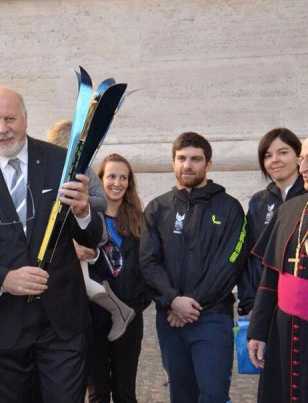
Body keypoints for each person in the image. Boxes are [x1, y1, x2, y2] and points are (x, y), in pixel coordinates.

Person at [0, 87, 103, 402]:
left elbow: (89, 238)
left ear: (25, 118)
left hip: (62, 323)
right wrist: (2, 278)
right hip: (2, 326)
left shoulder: (61, 161)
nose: (3, 129)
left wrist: (84, 212)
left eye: (10, 119)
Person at [140, 132, 246, 403]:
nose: (188, 165)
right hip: (169, 319)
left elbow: (230, 264)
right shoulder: (157, 208)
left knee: (212, 394)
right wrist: (172, 300)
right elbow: (148, 263)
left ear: (208, 164)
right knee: (181, 395)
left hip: (212, 318)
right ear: (173, 162)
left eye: (196, 159)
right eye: (182, 158)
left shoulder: (229, 208)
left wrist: (190, 305)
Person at [47, 120, 135, 342]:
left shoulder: (84, 170)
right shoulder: (50, 168)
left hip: (88, 231)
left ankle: (120, 311)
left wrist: (83, 202)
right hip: (61, 233)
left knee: (83, 281)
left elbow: (102, 202)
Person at [247, 136, 308, 403]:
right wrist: (258, 331)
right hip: (285, 330)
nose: (304, 168)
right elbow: (270, 278)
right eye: (303, 159)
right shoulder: (289, 210)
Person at [87, 153, 148, 403]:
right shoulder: (87, 220)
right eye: (111, 176)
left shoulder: (140, 222)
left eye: (123, 178)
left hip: (130, 316)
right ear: (100, 180)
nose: (117, 183)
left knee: (125, 392)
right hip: (94, 318)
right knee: (98, 392)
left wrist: (136, 303)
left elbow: (149, 267)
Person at [238, 128, 305, 315]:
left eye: (283, 152)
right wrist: (250, 301)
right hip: (263, 304)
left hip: (299, 304)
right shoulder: (259, 202)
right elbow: (250, 256)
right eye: (268, 155)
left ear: (299, 157)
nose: (275, 159)